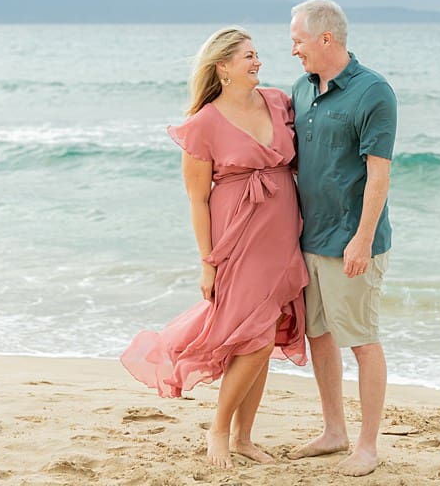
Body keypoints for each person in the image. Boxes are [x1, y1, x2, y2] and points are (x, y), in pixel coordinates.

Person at [120, 26, 308, 469]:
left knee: (264, 331)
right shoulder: (203, 124)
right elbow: (198, 199)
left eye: (257, 54)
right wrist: (209, 263)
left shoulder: (279, 102)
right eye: (248, 56)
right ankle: (220, 429)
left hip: (282, 233)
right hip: (237, 237)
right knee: (256, 338)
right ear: (222, 66)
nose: (258, 61)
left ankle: (243, 436)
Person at [286, 0, 397, 477]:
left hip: (351, 242)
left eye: (298, 40)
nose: (293, 50)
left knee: (362, 340)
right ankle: (334, 431)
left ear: (325, 39)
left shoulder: (374, 92)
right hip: (308, 239)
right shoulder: (300, 89)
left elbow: (378, 175)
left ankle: (368, 446)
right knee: (319, 336)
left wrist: (363, 239)